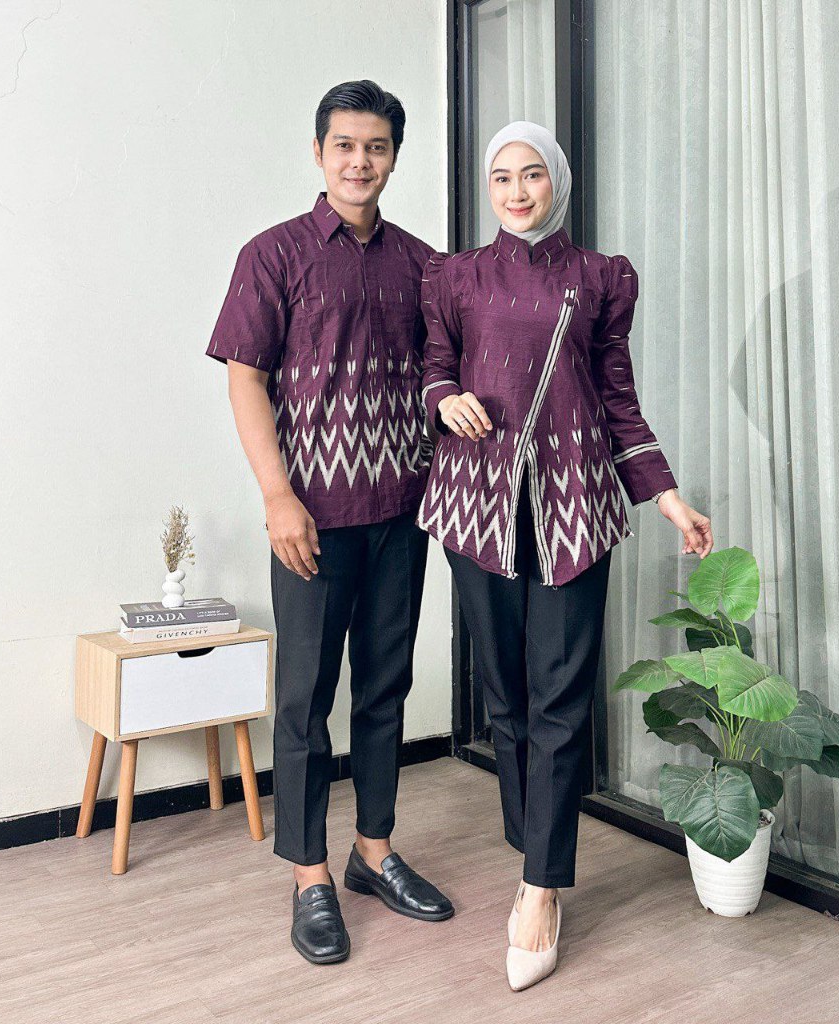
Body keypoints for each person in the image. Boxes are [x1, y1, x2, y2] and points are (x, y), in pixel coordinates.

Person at [417, 121, 713, 990]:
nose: (516, 191)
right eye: (501, 177)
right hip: (478, 505)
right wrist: (445, 396)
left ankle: (542, 887)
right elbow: (433, 365)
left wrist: (665, 493)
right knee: (506, 697)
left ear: (558, 181)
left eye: (532, 175)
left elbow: (618, 397)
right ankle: (532, 844)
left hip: (574, 507)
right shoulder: (454, 276)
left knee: (558, 697)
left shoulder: (603, 277)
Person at [206, 80, 453, 967]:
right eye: (345, 145)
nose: (360, 161)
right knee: (306, 700)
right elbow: (244, 375)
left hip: (402, 512)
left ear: (394, 157)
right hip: (310, 518)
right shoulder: (272, 255)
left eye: (376, 147)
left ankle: (373, 853)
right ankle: (309, 874)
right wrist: (278, 496)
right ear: (319, 153)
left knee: (385, 688)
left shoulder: (424, 264)